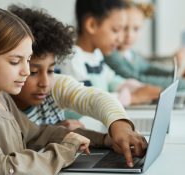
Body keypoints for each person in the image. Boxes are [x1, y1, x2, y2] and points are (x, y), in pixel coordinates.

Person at [0, 8, 115, 175]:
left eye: (27, 60)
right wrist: (65, 150)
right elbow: (3, 170)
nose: (26, 71)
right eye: (15, 61)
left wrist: (103, 140)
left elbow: (37, 134)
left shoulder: (2, 98)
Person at [9, 5, 147, 167]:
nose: (45, 82)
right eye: (33, 72)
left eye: (52, 70)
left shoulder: (54, 85)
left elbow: (93, 98)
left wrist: (118, 126)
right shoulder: (3, 105)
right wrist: (60, 132)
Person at [59, 0, 161, 108]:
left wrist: (138, 88)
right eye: (115, 30)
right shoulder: (72, 58)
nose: (121, 38)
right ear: (91, 25)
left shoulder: (96, 54)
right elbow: (87, 102)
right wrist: (132, 98)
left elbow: (112, 79)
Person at [104, 0, 185, 90]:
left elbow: (149, 68)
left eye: (136, 29)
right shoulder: (110, 55)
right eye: (124, 28)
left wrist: (176, 75)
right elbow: (139, 80)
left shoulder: (131, 53)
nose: (129, 35)